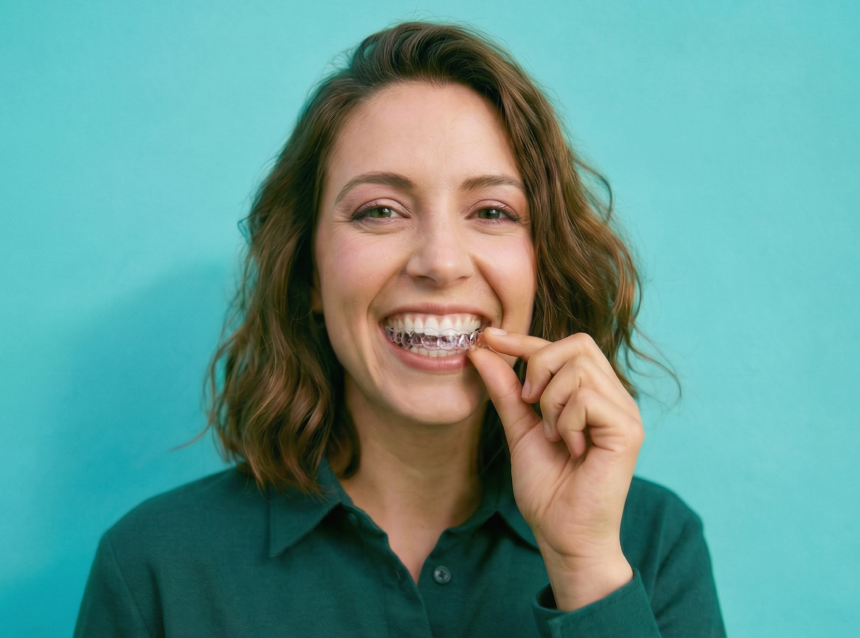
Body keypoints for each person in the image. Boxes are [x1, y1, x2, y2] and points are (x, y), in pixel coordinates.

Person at [75, 22, 725, 637]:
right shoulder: (153, 568)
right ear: (307, 274)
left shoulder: (652, 545)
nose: (440, 262)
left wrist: (584, 566)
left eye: (492, 210)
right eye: (379, 211)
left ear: (542, 266)